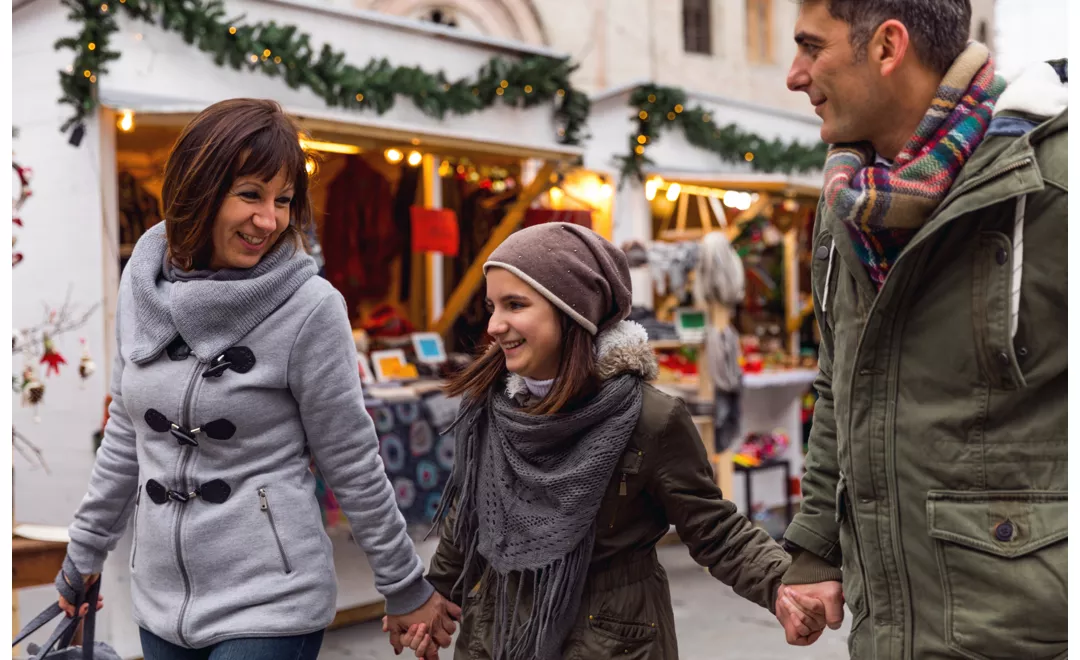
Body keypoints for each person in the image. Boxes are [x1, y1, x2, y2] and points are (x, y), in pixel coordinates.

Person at [56, 98, 460, 659]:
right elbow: (128, 436)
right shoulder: (142, 282)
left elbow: (351, 458)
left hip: (272, 602)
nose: (269, 220)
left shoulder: (310, 306)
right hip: (161, 602)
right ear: (198, 189)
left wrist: (402, 584)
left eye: (284, 201)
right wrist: (83, 555)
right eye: (250, 194)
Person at [389, 222, 825, 660]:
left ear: (572, 310)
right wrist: (435, 594)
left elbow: (714, 529)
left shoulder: (649, 419)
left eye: (515, 305)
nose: (495, 325)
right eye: (492, 306)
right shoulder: (490, 406)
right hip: (497, 634)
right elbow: (469, 518)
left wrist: (781, 587)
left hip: (611, 642)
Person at [780, 1, 1068, 657]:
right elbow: (840, 382)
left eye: (810, 47)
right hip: (890, 634)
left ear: (887, 46)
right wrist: (816, 547)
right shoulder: (848, 200)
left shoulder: (1053, 180)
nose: (795, 76)